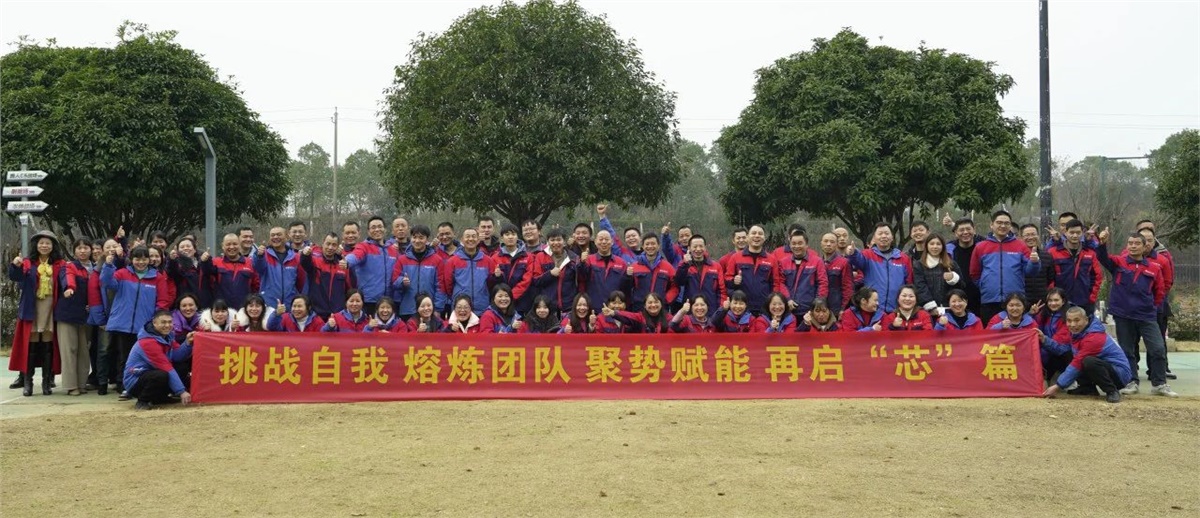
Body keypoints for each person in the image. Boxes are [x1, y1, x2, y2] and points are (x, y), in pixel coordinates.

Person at [1095, 229, 1176, 397]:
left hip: (1146, 316)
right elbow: (1103, 258)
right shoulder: (1119, 262)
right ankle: (1131, 382)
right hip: (1123, 315)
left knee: (1158, 348)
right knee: (1127, 350)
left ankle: (1159, 384)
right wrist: (1102, 244)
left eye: (1137, 243)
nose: (1133, 246)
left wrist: (1152, 307)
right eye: (1130, 243)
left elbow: (1160, 291)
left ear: (1145, 246)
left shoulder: (1154, 268)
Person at [102, 245, 171, 397]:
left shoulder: (157, 277)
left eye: (144, 258)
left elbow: (163, 300)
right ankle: (124, 385)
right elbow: (107, 282)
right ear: (131, 259)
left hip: (144, 326)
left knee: (144, 357)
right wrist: (108, 265)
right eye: (137, 259)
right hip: (123, 324)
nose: (141, 262)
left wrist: (155, 320)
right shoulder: (122, 273)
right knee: (124, 357)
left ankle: (141, 386)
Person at [8, 231, 65, 396]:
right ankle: (28, 383)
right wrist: (15, 265)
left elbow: (65, 282)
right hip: (31, 308)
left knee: (48, 344)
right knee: (31, 344)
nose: (44, 246)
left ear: (53, 246)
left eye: (48, 243)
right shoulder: (28, 263)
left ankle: (46, 382)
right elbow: (16, 277)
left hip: (51, 308)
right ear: (36, 245)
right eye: (41, 243)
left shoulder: (59, 264)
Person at [1042, 306, 1133, 404]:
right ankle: (1087, 388)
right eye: (1069, 321)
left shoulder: (1094, 337)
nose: (1072, 324)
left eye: (1077, 320)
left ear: (1086, 320)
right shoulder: (1077, 333)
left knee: (1087, 361)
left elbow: (1077, 363)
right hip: (1104, 366)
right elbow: (1063, 349)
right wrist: (1044, 340)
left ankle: (1112, 391)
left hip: (1120, 375)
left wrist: (1058, 386)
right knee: (1073, 355)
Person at [969, 210, 1040, 324]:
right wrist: (985, 286)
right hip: (990, 300)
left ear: (1010, 226)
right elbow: (974, 273)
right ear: (991, 225)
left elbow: (1031, 272)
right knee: (991, 332)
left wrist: (1034, 262)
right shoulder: (981, 247)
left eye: (1006, 223)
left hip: (1015, 301)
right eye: (999, 222)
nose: (1003, 226)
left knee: (1015, 332)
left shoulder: (1020, 245)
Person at [123, 310, 193, 410]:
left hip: (150, 373)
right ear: (154, 323)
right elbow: (166, 367)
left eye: (170, 322)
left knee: (181, 367)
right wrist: (181, 391)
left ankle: (160, 398)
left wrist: (188, 343)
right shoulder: (148, 342)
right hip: (135, 382)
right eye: (163, 322)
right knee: (160, 375)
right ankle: (142, 401)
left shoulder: (167, 336)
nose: (167, 325)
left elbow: (178, 356)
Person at [845, 223, 913, 313]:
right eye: (880, 233)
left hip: (896, 310)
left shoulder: (903, 258)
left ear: (892, 237)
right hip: (873, 309)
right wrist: (853, 252)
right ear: (874, 238)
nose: (883, 236)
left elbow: (909, 283)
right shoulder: (868, 255)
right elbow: (857, 260)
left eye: (887, 233)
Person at [55, 238, 93, 396]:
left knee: (84, 351)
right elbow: (68, 278)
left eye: (86, 248)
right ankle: (71, 386)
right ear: (74, 250)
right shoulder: (69, 266)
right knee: (69, 350)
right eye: (79, 248)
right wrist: (69, 288)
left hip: (85, 316)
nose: (82, 251)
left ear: (91, 250)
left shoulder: (94, 268)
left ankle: (82, 384)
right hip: (67, 314)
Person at [1138, 226, 1176, 379]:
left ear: (1154, 241)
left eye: (1150, 240)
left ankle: (1156, 373)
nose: (1147, 243)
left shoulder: (1162, 260)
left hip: (1155, 308)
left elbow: (1167, 283)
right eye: (1144, 240)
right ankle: (1130, 373)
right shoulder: (1126, 257)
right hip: (1131, 309)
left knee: (1155, 343)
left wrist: (1155, 301)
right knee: (1131, 343)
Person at [1046, 219, 1103, 315]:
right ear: (1065, 232)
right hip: (1060, 302)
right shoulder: (1053, 252)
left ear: (1082, 233)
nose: (1075, 235)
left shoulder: (1090, 253)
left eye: (1078, 232)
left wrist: (1092, 298)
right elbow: (1049, 276)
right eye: (1071, 232)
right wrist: (1053, 297)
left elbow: (1097, 276)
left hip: (1084, 302)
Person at [345, 216, 400, 315]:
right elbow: (355, 256)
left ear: (385, 229)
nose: (377, 229)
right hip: (369, 301)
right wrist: (347, 261)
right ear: (368, 231)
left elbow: (399, 271)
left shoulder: (393, 250)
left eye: (380, 226)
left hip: (388, 301)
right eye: (373, 227)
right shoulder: (364, 247)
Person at [724, 225, 783, 314]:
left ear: (764, 238)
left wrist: (773, 302)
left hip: (764, 307)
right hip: (742, 308)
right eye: (754, 233)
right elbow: (727, 279)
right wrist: (734, 281)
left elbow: (776, 283)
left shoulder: (771, 259)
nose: (757, 236)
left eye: (760, 234)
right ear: (747, 237)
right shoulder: (735, 257)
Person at [390, 224, 443, 320]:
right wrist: (402, 281)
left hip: (428, 309)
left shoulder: (437, 260)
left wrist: (438, 309)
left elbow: (440, 287)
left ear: (427, 239)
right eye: (414, 237)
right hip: (407, 309)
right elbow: (394, 281)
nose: (417, 241)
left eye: (421, 238)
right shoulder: (402, 259)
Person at [441, 228, 497, 315]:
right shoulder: (452, 261)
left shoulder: (488, 261)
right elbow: (448, 285)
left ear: (478, 240)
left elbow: (492, 284)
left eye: (473, 236)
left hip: (483, 308)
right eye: (467, 236)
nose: (470, 239)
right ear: (462, 240)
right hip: (460, 309)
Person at [300, 232, 355, 320]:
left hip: (338, 314)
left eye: (334, 245)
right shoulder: (315, 262)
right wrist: (305, 255)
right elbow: (305, 263)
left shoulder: (342, 265)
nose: (330, 247)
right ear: (323, 244)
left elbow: (350, 288)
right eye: (328, 244)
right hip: (317, 314)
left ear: (338, 247)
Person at [528, 228, 580, 317]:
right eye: (552, 240)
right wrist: (550, 274)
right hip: (547, 306)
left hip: (568, 306)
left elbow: (580, 280)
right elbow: (536, 281)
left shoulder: (573, 258)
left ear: (564, 242)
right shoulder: (540, 256)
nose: (555, 243)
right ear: (548, 242)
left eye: (559, 240)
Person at [200, 233, 258, 312]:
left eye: (235, 244)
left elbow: (256, 287)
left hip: (244, 311)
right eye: (228, 244)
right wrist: (204, 262)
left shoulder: (250, 263)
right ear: (223, 246)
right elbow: (206, 274)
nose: (231, 247)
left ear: (239, 245)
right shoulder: (215, 262)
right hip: (222, 311)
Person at [776, 230, 828, 317]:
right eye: (793, 243)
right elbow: (781, 283)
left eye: (800, 243)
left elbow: (823, 283)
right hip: (788, 309)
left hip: (809, 310)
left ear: (806, 245)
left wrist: (817, 305)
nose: (796, 246)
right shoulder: (783, 262)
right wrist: (787, 299)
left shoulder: (817, 261)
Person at [252, 226, 305, 310]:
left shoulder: (295, 257)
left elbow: (301, 282)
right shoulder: (264, 255)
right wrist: (259, 256)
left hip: (290, 306)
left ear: (286, 237)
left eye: (279, 234)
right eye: (272, 235)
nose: (275, 237)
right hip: (269, 305)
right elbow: (258, 268)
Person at [912, 233, 965, 316]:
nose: (935, 247)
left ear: (943, 246)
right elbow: (920, 287)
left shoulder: (951, 264)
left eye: (938, 244)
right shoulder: (919, 265)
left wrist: (953, 278)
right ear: (926, 246)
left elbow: (962, 286)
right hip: (927, 311)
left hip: (949, 309)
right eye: (932, 244)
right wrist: (931, 307)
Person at [673, 234, 726, 316]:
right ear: (689, 248)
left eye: (701, 246)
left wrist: (720, 311)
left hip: (711, 312)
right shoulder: (684, 265)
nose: (698, 249)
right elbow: (678, 282)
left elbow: (722, 291)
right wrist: (685, 264)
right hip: (690, 312)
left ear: (705, 247)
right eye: (695, 246)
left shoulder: (716, 266)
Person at [579, 229, 630, 310]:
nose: (603, 242)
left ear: (612, 242)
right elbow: (582, 278)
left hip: (614, 308)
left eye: (606, 239)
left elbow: (626, 287)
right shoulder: (588, 260)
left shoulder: (621, 263)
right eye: (601, 239)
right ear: (595, 242)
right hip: (593, 307)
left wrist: (629, 276)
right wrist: (582, 263)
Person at [628, 233, 678, 312]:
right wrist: (627, 276)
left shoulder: (668, 267)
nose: (650, 246)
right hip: (639, 309)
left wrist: (666, 300)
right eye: (647, 244)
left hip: (661, 309)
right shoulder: (634, 267)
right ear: (643, 246)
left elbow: (675, 286)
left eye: (653, 243)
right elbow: (627, 287)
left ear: (658, 246)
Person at [944, 216, 984, 314]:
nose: (965, 232)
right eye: (961, 230)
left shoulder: (983, 247)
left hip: (981, 296)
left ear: (974, 230)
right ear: (955, 233)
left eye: (968, 229)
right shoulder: (948, 250)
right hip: (956, 298)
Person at [492, 223, 534, 314]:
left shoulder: (528, 257)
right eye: (507, 235)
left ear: (517, 237)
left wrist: (511, 296)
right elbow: (493, 282)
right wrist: (496, 276)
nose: (510, 237)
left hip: (522, 302)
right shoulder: (495, 258)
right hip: (501, 303)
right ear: (502, 238)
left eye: (513, 234)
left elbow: (527, 280)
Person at [1036, 288, 1075, 384]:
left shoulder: (1069, 317)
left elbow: (1062, 347)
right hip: (1049, 350)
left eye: (1056, 300)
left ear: (1063, 301)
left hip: (1063, 355)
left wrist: (1044, 340)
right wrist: (1032, 314)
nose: (1053, 303)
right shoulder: (1044, 313)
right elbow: (1032, 327)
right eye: (1050, 300)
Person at [1019, 223, 1055, 306]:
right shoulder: (1017, 256)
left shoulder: (1047, 256)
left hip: (1042, 300)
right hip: (1021, 301)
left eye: (1033, 234)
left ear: (1038, 236)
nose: (1030, 237)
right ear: (1021, 238)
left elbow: (1050, 278)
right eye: (1027, 235)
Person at [818, 232, 854, 313]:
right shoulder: (817, 262)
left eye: (832, 242)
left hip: (836, 308)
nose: (828, 244)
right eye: (825, 241)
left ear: (837, 244)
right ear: (821, 243)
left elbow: (848, 288)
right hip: (820, 309)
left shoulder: (844, 262)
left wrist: (843, 308)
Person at [167, 237, 206, 308]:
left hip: (202, 303)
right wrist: (172, 260)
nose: (185, 248)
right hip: (184, 304)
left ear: (195, 249)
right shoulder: (176, 264)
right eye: (182, 247)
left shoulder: (201, 263)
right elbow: (171, 272)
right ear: (177, 251)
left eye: (188, 246)